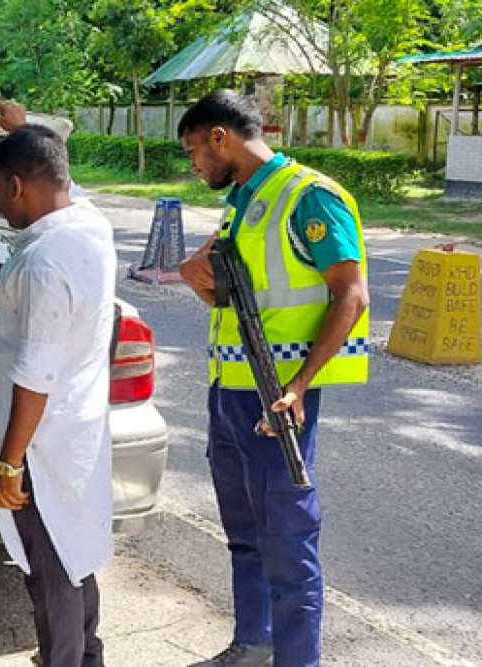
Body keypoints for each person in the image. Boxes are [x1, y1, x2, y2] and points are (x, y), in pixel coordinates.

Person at [176, 90, 369, 667]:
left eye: (194, 152)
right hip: (229, 395)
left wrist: (302, 384)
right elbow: (230, 298)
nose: (194, 166)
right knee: (245, 536)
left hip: (277, 403)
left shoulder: (310, 197)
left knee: (287, 544)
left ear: (220, 137)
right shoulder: (243, 202)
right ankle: (253, 645)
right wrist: (194, 276)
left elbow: (351, 295)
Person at [0, 100, 115, 667]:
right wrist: (27, 130)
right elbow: (66, 184)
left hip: (41, 439)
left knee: (52, 564)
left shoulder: (43, 262)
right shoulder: (89, 224)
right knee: (74, 549)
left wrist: (10, 463)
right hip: (77, 428)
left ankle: (66, 659)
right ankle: (87, 653)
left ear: (15, 186)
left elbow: (34, 375)